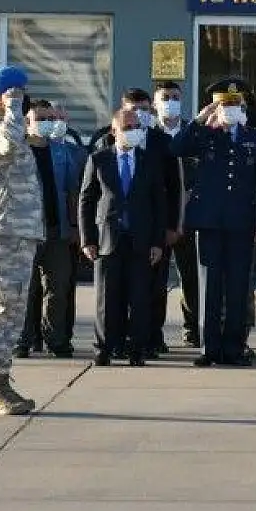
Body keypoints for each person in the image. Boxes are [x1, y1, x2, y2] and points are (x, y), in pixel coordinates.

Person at [173, 80, 256, 368]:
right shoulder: (206, 135)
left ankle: (234, 347)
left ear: (243, 108)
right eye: (224, 105)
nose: (229, 110)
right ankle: (209, 347)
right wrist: (203, 118)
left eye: (234, 105)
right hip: (210, 222)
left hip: (241, 222)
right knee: (209, 286)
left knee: (238, 287)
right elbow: (176, 146)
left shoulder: (253, 137)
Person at [0, 65, 43, 415]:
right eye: (15, 93)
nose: (22, 100)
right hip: (4, 231)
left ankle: (2, 378)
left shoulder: (12, 129)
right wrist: (11, 109)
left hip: (21, 231)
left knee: (14, 310)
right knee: (1, 307)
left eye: (22, 94)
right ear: (0, 97)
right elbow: (11, 140)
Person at [79, 107, 167, 367]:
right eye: (127, 127)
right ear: (114, 131)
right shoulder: (98, 159)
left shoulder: (149, 160)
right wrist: (88, 239)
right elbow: (86, 200)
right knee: (107, 298)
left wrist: (157, 242)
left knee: (139, 297)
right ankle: (105, 347)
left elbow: (159, 203)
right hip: (108, 239)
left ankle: (136, 349)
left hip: (140, 240)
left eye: (136, 127)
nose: (133, 131)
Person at [17, 102, 86, 359]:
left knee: (57, 287)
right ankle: (23, 338)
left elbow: (72, 192)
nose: (45, 123)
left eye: (49, 118)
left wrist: (76, 228)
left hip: (58, 232)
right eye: (40, 118)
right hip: (26, 231)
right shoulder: (19, 150)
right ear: (28, 122)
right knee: (26, 288)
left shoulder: (61, 152)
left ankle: (55, 338)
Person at [152, 81, 199, 351]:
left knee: (190, 278)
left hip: (189, 216)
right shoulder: (149, 133)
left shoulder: (193, 133)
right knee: (156, 279)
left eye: (175, 97)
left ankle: (192, 330)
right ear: (156, 103)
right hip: (160, 217)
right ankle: (154, 332)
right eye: (165, 97)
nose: (170, 102)